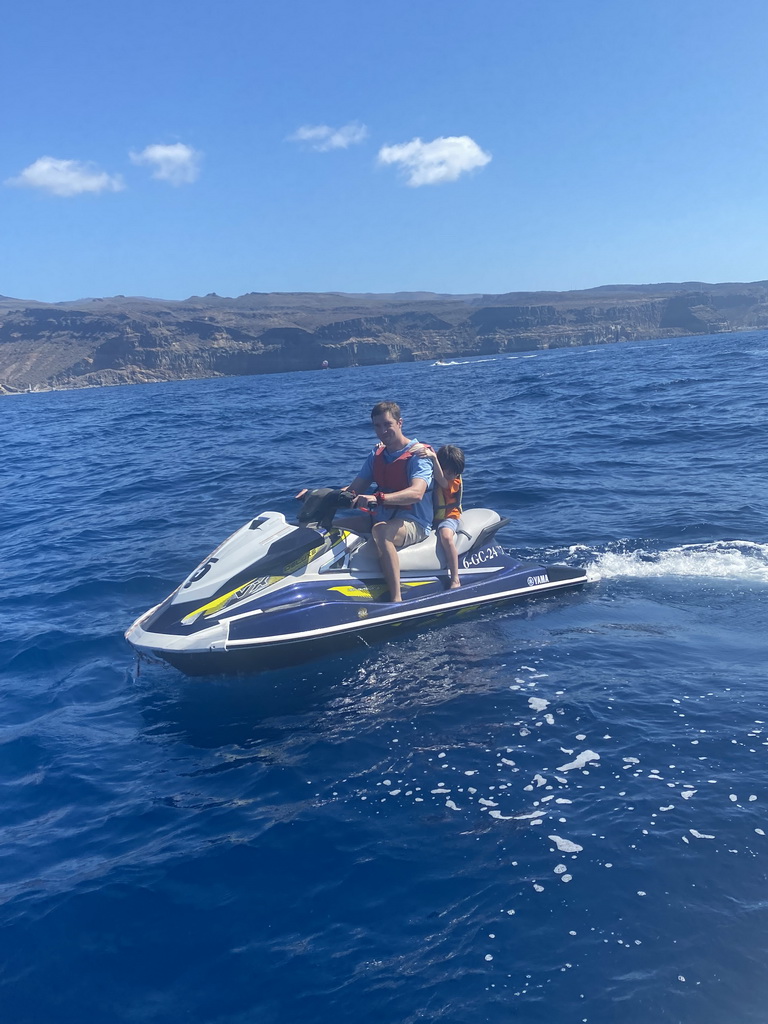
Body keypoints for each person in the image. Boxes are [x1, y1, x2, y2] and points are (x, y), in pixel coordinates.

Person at [340, 400, 434, 602]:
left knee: (381, 531)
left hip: (414, 522)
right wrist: (318, 496)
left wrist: (378, 498)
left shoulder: (419, 455)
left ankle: (396, 598)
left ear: (400, 423)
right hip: (380, 516)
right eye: (377, 426)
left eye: (387, 424)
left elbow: (417, 493)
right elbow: (354, 489)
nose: (382, 431)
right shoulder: (377, 454)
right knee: (331, 525)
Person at [416, 444, 465, 589]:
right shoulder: (433, 471)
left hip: (449, 517)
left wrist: (433, 458)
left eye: (455, 472)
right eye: (448, 471)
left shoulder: (454, 481)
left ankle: (455, 578)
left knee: (446, 537)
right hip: (431, 517)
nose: (452, 475)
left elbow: (443, 482)